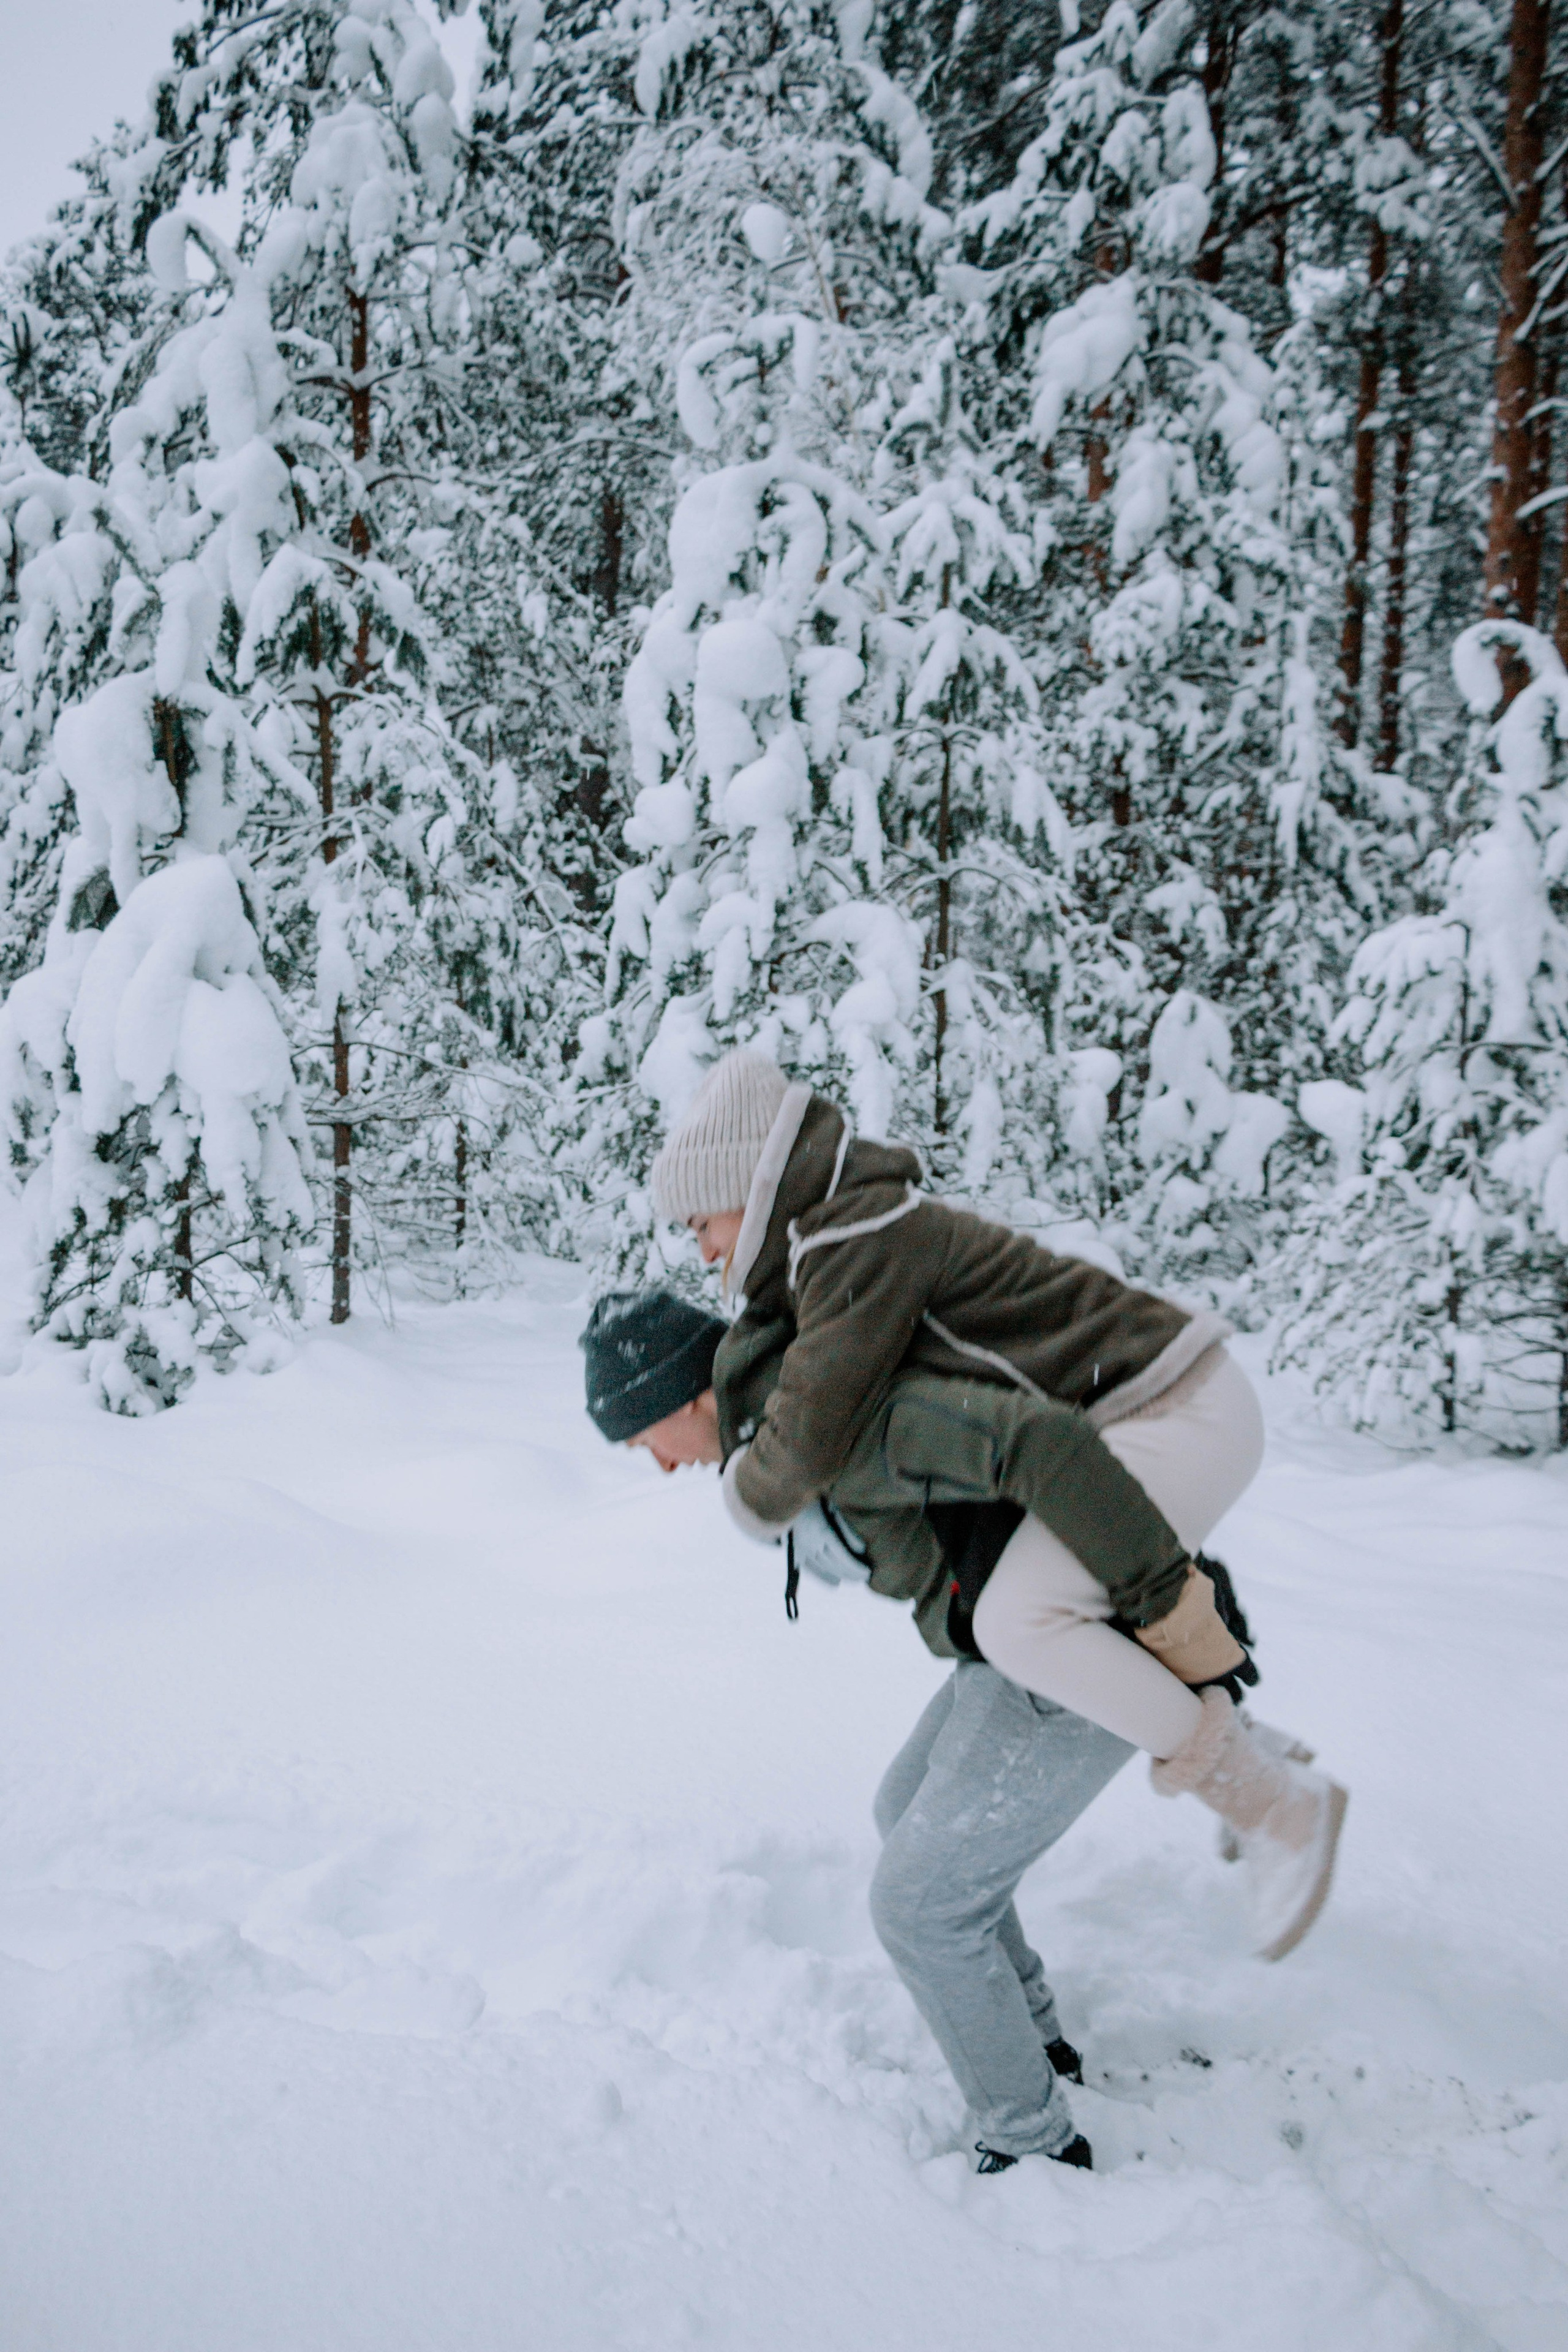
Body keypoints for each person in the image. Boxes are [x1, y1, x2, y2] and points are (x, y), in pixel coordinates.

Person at [581, 1272, 1340, 2176]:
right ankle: (1038, 2047)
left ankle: (1032, 2145)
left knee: (918, 1905)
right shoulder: (788, 1427)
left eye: (645, 1439)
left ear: (690, 1394)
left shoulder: (840, 1407)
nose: (660, 1465)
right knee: (902, 1811)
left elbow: (1042, 1452)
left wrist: (1155, 1614)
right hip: (1007, 1653)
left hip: (1072, 1651)